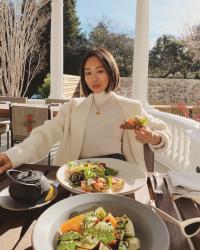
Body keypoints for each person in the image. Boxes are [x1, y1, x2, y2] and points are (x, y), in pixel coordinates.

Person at [0, 48, 171, 174]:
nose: (93, 78)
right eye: (88, 73)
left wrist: (153, 138)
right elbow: (45, 133)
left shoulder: (130, 107)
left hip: (119, 173)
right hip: (77, 171)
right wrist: (13, 156)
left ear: (111, 72)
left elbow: (163, 130)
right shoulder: (73, 107)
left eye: (100, 71)